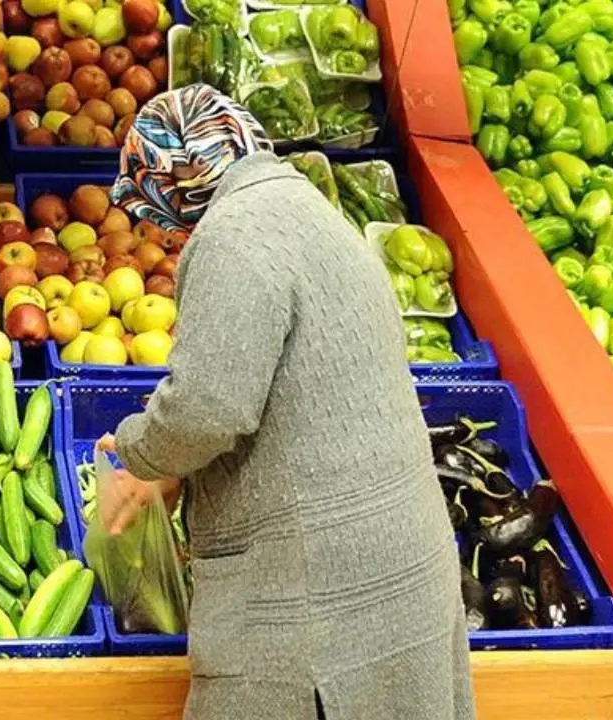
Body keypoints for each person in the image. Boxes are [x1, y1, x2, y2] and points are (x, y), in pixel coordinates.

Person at [95, 84, 476, 720]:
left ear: (172, 180)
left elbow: (208, 406)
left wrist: (140, 453)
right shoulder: (310, 208)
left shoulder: (234, 235)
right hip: (399, 568)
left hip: (317, 592)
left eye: (150, 204)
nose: (155, 226)